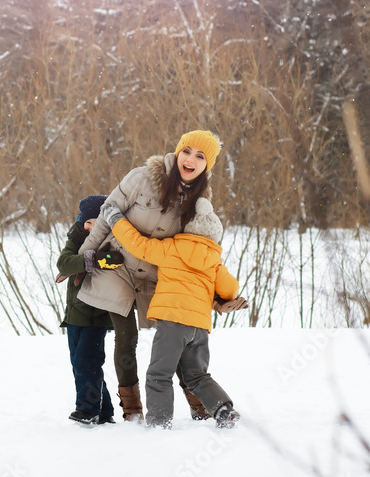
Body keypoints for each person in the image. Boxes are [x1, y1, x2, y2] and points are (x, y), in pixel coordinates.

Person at [76, 130, 221, 421]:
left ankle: (199, 403)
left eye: (200, 156)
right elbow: (108, 213)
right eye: (187, 151)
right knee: (126, 337)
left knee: (174, 338)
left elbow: (199, 250)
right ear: (177, 151)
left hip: (157, 275)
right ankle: (132, 409)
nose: (190, 159)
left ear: (208, 165)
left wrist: (215, 292)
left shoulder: (200, 203)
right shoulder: (142, 177)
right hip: (118, 265)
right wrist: (85, 258)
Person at [99, 196, 248, 428]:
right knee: (197, 376)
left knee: (159, 374)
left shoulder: (171, 248)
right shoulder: (214, 261)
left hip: (172, 324)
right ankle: (223, 410)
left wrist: (115, 219)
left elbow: (137, 244)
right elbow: (230, 288)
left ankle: (159, 424)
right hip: (199, 328)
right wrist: (222, 297)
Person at [55, 195, 123, 426]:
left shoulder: (111, 239)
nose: (91, 226)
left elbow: (115, 260)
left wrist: (95, 259)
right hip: (74, 315)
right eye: (88, 222)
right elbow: (64, 263)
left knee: (87, 361)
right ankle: (105, 411)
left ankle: (87, 409)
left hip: (97, 315)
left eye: (97, 221)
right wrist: (86, 260)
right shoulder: (75, 239)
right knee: (81, 363)